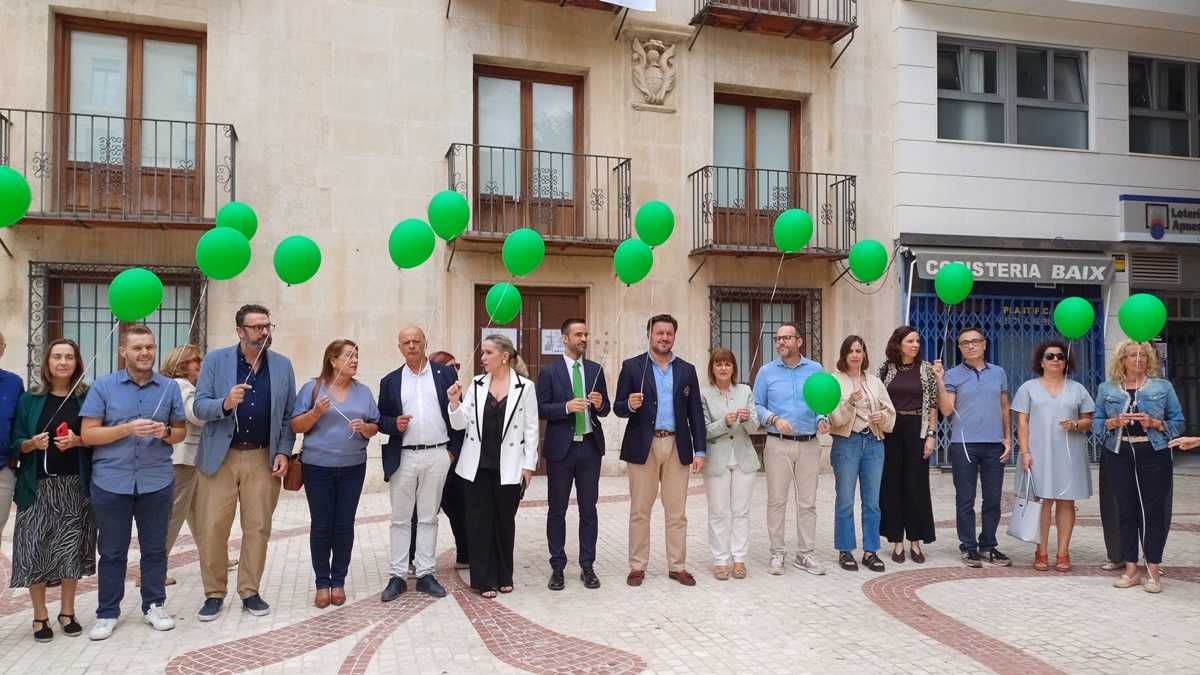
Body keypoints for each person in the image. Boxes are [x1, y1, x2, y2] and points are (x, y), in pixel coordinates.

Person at [79, 325, 186, 640]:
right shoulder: (103, 387)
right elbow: (88, 434)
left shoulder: (169, 388)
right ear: (122, 352)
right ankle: (107, 613)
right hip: (112, 482)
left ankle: (154, 605)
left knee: (155, 549)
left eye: (150, 347)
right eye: (138, 347)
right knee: (112, 551)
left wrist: (165, 432)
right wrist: (126, 429)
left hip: (156, 480)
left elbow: (180, 431)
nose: (145, 353)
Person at [193, 305, 297, 622]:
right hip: (219, 457)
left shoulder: (282, 365)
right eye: (256, 327)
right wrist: (225, 403)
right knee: (212, 528)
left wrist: (283, 451)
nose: (264, 332)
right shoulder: (215, 361)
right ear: (240, 331)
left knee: (258, 528)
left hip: (262, 457)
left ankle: (250, 591)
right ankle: (214, 594)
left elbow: (288, 415)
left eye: (267, 326)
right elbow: (199, 407)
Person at [9, 338, 95, 642]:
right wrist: (31, 444)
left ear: (77, 363)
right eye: (57, 356)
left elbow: (96, 436)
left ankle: (67, 612)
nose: (62, 362)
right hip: (37, 486)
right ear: (47, 363)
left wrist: (78, 440)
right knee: (34, 550)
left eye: (69, 357)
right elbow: (15, 440)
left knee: (70, 549)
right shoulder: (30, 399)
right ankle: (40, 615)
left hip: (74, 485)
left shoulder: (87, 397)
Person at [614, 314, 706, 587]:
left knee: (677, 511)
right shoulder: (632, 367)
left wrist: (699, 450)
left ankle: (677, 566)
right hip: (643, 445)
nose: (664, 338)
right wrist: (629, 404)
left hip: (677, 445)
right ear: (649, 335)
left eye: (669, 333)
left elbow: (696, 415)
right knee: (640, 510)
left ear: (674, 337)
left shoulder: (687, 370)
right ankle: (637, 566)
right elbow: (618, 407)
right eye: (659, 333)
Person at [447, 334, 539, 598]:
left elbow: (531, 430)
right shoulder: (476, 384)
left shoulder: (526, 387)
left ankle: (503, 575)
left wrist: (529, 465)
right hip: (476, 465)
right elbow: (459, 424)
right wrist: (454, 403)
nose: (483, 358)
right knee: (478, 522)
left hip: (509, 466)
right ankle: (483, 579)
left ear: (504, 356)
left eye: (488, 353)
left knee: (504, 522)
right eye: (483, 353)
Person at [291, 340, 379, 608]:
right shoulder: (312, 388)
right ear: (332, 359)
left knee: (344, 524)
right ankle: (321, 583)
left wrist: (365, 427)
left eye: (356, 356)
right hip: (317, 467)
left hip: (354, 467)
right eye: (348, 356)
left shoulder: (363, 392)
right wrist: (316, 412)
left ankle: (338, 580)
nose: (354, 361)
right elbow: (295, 425)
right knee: (321, 525)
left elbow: (375, 426)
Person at [1092, 339, 1183, 594]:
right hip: (1119, 452)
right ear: (1122, 359)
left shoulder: (1163, 387)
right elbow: (1097, 423)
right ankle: (1131, 569)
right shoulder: (1107, 388)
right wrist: (1113, 422)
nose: (1139, 359)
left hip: (1154, 452)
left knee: (1153, 511)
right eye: (1133, 355)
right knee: (1126, 510)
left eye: (1144, 355)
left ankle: (1153, 569)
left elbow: (1179, 422)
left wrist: (1156, 423)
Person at [377, 327, 461, 601]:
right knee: (400, 519)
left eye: (416, 341)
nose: (412, 345)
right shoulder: (390, 381)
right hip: (404, 455)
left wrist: (451, 453)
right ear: (399, 347)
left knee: (428, 518)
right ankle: (398, 576)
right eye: (406, 342)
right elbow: (381, 418)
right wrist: (393, 424)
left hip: (437, 454)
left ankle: (426, 574)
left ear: (425, 344)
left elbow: (458, 414)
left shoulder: (446, 374)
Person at [537, 318, 611, 591]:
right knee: (557, 509)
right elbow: (541, 407)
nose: (584, 339)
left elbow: (606, 408)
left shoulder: (595, 369)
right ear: (564, 338)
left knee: (588, 509)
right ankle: (557, 566)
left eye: (586, 334)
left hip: (590, 447)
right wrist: (566, 407)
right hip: (561, 449)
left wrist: (602, 404)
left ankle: (587, 565)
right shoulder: (550, 372)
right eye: (578, 334)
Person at [752, 322, 830, 576]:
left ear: (799, 341)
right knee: (777, 501)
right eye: (778, 338)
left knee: (807, 503)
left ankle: (805, 555)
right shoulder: (766, 372)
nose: (781, 343)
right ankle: (777, 554)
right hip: (778, 445)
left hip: (809, 444)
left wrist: (821, 418)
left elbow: (823, 401)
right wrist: (773, 419)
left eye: (787, 338)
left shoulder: (816, 369)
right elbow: (757, 405)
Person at [1012, 341, 1094, 572]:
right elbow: (1022, 422)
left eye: (1060, 356)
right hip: (1038, 452)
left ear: (1067, 361)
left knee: (1067, 502)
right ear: (1041, 361)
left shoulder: (1078, 389)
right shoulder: (1028, 388)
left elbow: (1089, 419)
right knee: (1043, 502)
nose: (1055, 359)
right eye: (1050, 356)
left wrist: (1076, 424)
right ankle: (1041, 551)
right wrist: (1025, 451)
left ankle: (1063, 553)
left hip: (1070, 452)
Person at [934, 326, 1012, 568]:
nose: (970, 346)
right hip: (963, 444)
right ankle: (968, 547)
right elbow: (946, 410)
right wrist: (938, 377)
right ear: (959, 348)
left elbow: (1004, 408)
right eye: (964, 343)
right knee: (965, 499)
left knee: (993, 499)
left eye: (975, 341)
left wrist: (1008, 438)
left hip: (994, 444)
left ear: (984, 344)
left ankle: (988, 545)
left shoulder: (998, 373)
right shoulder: (954, 375)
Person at [827, 336, 895, 573]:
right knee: (845, 499)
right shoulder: (835, 382)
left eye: (859, 350)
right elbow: (834, 419)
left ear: (864, 354)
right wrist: (850, 404)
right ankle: (845, 550)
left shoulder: (875, 382)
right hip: (847, 443)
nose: (855, 355)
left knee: (872, 501)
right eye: (851, 351)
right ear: (843, 355)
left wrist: (882, 417)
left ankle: (870, 551)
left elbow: (890, 414)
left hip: (874, 442)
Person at [878, 326, 938, 564]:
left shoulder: (926, 370)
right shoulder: (885, 369)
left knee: (916, 486)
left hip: (918, 428)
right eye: (910, 341)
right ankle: (897, 542)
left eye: (917, 341)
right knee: (892, 485)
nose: (915, 345)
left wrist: (932, 435)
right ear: (898, 343)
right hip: (891, 429)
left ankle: (915, 541)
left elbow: (932, 403)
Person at [699, 348, 759, 581]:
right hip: (717, 461)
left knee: (741, 512)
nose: (723, 367)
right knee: (718, 513)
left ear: (734, 368)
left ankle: (740, 560)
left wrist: (746, 419)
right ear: (712, 369)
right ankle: (720, 561)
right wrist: (724, 422)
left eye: (728, 364)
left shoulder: (745, 391)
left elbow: (755, 427)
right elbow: (703, 430)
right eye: (719, 364)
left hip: (744, 460)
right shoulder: (704, 395)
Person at [160, 344, 206, 587]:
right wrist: (218, 408)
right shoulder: (181, 385)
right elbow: (195, 414)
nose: (199, 363)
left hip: (190, 458)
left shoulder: (178, 385)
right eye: (194, 359)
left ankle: (211, 557)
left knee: (199, 513)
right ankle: (154, 569)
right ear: (181, 364)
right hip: (183, 458)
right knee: (173, 515)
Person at [0, 329, 26, 535]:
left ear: (3, 350)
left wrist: (14, 459)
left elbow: (20, 424)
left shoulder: (14, 383)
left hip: (2, 471)